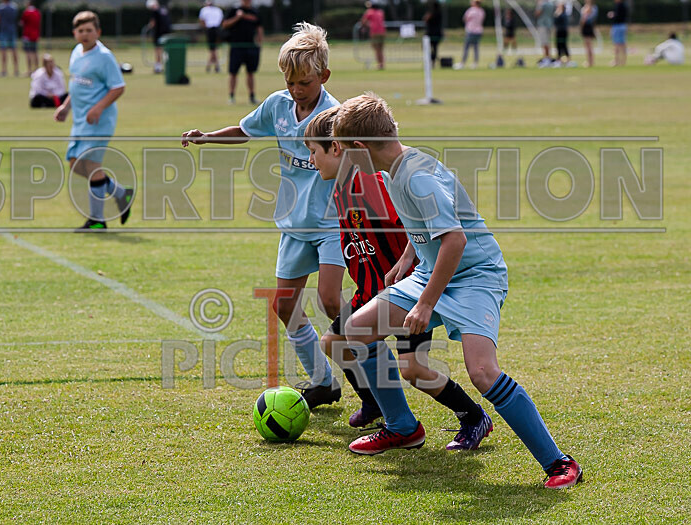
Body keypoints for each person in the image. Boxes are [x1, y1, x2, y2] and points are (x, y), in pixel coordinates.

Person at [334, 92, 583, 489]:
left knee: (482, 371)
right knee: (358, 329)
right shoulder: (395, 168)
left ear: (361, 147)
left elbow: (455, 239)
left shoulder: (416, 177)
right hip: (432, 271)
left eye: (346, 151)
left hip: (475, 275)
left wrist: (425, 304)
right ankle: (402, 427)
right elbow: (426, 226)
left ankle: (559, 462)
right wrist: (407, 258)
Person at [303, 106, 494, 451]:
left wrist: (409, 271)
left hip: (406, 289)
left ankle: (472, 416)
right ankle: (382, 408)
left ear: (337, 148)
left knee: (413, 369)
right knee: (336, 341)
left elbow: (421, 224)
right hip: (373, 291)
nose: (310, 160)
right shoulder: (342, 188)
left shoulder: (372, 184)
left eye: (313, 151)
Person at [182, 23, 344, 410]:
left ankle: (373, 386)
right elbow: (245, 129)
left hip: (331, 224)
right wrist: (208, 137)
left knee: (331, 301)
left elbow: (361, 159)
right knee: (284, 307)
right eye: (290, 82)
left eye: (304, 82)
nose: (296, 89)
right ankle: (323, 382)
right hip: (294, 223)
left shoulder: (336, 115)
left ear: (324, 76)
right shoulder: (277, 105)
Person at [53, 11, 134, 231]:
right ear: (74, 33)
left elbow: (118, 87)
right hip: (81, 120)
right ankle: (121, 194)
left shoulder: (105, 56)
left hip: (99, 120)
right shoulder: (76, 52)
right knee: (75, 164)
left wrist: (98, 107)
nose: (85, 34)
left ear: (98, 32)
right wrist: (65, 107)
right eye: (81, 30)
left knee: (91, 165)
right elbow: (77, 85)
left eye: (89, 30)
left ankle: (97, 221)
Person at [222, 0, 262, 104]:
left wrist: (259, 42)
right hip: (236, 46)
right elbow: (225, 24)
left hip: (250, 46)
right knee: (233, 73)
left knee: (250, 73)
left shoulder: (255, 11)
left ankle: (252, 96)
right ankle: (231, 96)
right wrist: (237, 17)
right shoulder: (234, 10)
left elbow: (259, 27)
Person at [0, 0, 20, 77]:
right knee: (14, 50)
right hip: (12, 31)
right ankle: (16, 70)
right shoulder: (14, 7)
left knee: (3, 51)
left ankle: (4, 70)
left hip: (3, 31)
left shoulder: (0, 7)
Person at [457, 0, 485, 69]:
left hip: (471, 31)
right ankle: (475, 63)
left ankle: (462, 63)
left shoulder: (471, 10)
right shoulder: (481, 11)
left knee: (466, 47)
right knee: (476, 47)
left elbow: (465, 19)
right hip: (479, 31)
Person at [199, 0, 223, 73]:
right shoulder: (218, 10)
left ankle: (211, 66)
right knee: (214, 49)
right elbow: (221, 20)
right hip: (217, 30)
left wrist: (205, 28)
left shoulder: (204, 10)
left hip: (210, 30)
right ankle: (215, 66)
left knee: (213, 49)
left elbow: (202, 20)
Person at [360, 1, 386, 70]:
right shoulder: (381, 12)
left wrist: (366, 27)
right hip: (382, 32)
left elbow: (363, 21)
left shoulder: (370, 12)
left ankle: (380, 64)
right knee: (381, 49)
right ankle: (382, 64)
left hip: (374, 32)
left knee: (377, 50)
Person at [147, 0, 171, 74]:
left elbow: (153, 23)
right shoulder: (164, 9)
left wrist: (149, 27)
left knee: (158, 50)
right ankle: (168, 66)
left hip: (158, 33)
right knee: (166, 50)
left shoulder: (155, 11)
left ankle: (158, 67)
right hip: (167, 33)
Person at [20, 0, 41, 76]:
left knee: (28, 53)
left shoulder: (26, 12)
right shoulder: (37, 12)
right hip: (35, 35)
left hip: (27, 35)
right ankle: (37, 69)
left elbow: (22, 23)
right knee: (35, 52)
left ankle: (29, 70)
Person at [607, 0, 627, 66]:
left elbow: (617, 17)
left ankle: (616, 61)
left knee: (617, 44)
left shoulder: (619, 5)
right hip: (623, 26)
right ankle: (623, 61)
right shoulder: (623, 5)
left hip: (618, 26)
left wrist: (612, 15)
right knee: (622, 44)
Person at [423, 1, 443, 67]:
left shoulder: (432, 14)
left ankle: (431, 60)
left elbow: (425, 19)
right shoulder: (439, 13)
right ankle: (432, 61)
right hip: (437, 33)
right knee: (434, 48)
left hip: (431, 33)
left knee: (428, 48)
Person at [580, 0, 597, 67]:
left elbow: (585, 18)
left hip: (588, 27)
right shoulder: (585, 7)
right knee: (587, 45)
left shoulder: (592, 8)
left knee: (589, 45)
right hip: (586, 27)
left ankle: (590, 62)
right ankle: (589, 61)